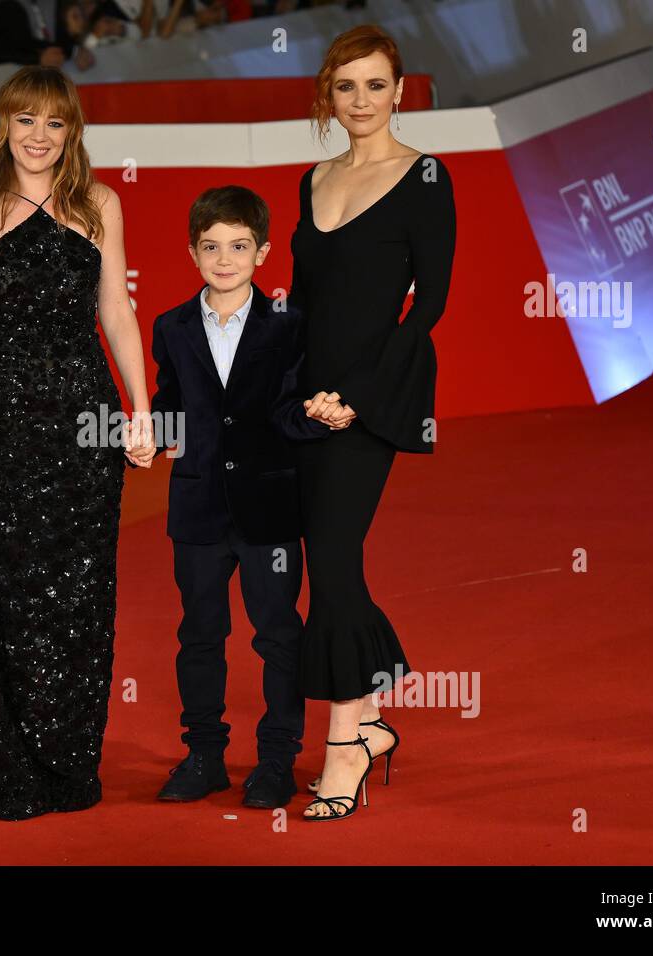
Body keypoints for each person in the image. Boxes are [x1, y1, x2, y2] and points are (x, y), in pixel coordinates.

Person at [0, 65, 154, 820]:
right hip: (2, 427)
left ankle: (74, 767)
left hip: (85, 425)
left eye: (54, 123)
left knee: (83, 595)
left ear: (73, 133)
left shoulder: (100, 206)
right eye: (24, 120)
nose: (38, 137)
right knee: (12, 597)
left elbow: (118, 314)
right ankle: (22, 770)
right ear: (2, 126)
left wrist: (140, 407)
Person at [290, 24, 456, 820]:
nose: (360, 100)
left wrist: (354, 393)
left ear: (399, 91)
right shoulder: (312, 178)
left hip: (376, 395)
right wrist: (295, 394)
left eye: (375, 86)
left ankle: (343, 750)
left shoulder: (424, 177)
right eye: (345, 86)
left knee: (332, 555)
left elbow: (428, 304)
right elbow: (306, 305)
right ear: (329, 93)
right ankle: (373, 718)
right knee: (328, 563)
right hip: (308, 400)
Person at [144, 186, 335, 810]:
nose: (224, 259)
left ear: (263, 252)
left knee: (278, 633)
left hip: (269, 509)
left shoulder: (289, 325)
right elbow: (171, 401)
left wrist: (323, 417)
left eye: (238, 246)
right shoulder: (170, 326)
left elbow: (288, 409)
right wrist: (147, 433)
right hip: (197, 508)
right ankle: (203, 755)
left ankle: (277, 758)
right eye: (210, 247)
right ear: (192, 252)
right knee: (199, 632)